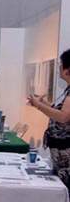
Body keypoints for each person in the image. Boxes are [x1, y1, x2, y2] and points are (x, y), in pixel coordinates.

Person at [28, 49, 70, 192]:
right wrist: (43, 102)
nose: (59, 67)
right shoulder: (67, 90)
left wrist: (38, 105)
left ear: (68, 69)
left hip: (65, 151)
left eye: (61, 63)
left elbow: (64, 117)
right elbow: (59, 112)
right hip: (60, 150)